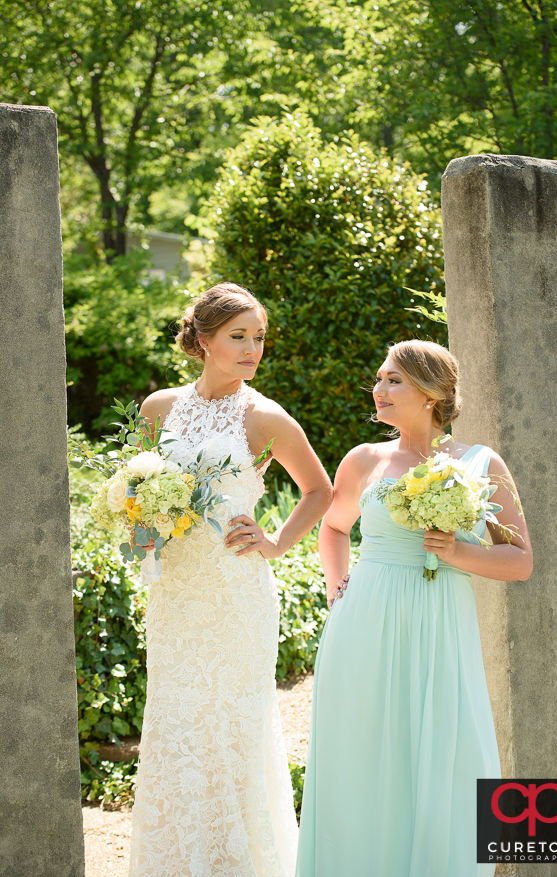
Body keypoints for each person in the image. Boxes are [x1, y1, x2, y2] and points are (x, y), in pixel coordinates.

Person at [296, 339, 532, 877]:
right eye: (379, 379)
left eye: (393, 380)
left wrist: (459, 550)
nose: (378, 391)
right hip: (366, 622)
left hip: (441, 621)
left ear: (431, 393)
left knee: (446, 751)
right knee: (361, 751)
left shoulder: (481, 463)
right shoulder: (364, 460)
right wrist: (340, 596)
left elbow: (520, 561)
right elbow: (333, 528)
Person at [128, 282, 333, 877]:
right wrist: (141, 534)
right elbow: (137, 491)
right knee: (176, 717)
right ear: (203, 340)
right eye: (238, 337)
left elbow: (319, 491)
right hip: (175, 591)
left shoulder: (264, 416)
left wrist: (273, 543)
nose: (252, 349)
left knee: (233, 722)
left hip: (235, 594)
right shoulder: (158, 408)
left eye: (259, 337)